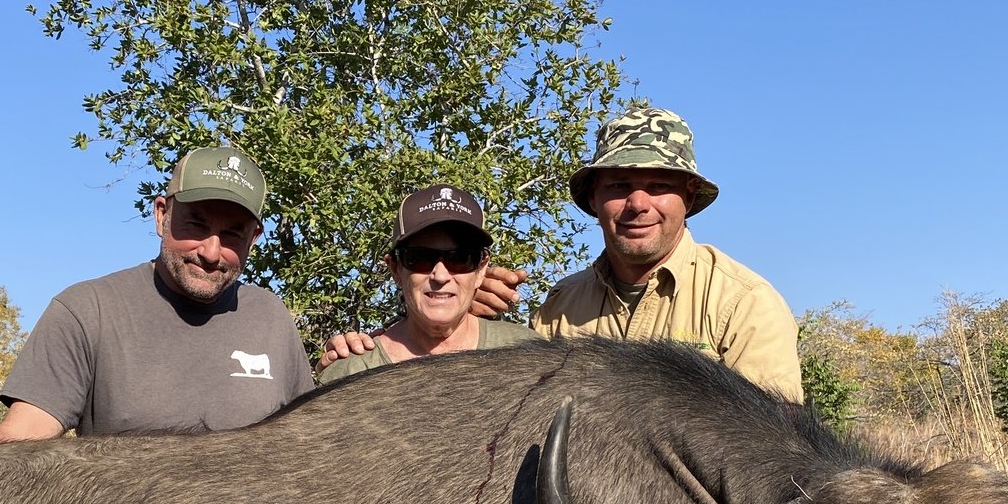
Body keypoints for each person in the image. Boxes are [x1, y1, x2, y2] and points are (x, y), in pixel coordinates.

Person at [0, 146, 313, 440]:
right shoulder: (88, 310)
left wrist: (349, 366)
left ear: (254, 238)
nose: (211, 253)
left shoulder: (271, 315)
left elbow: (308, 442)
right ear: (161, 215)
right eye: (196, 225)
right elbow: (22, 437)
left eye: (231, 235)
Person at [534, 104, 803, 401]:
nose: (638, 204)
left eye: (658, 186)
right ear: (594, 198)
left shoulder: (746, 303)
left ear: (688, 196)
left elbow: (766, 442)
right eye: (619, 186)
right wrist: (474, 312)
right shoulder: (561, 305)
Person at [317, 185, 536, 384]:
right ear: (395, 269)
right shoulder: (352, 373)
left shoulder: (529, 355)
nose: (440, 276)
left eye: (459, 258)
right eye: (420, 258)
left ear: (480, 270)